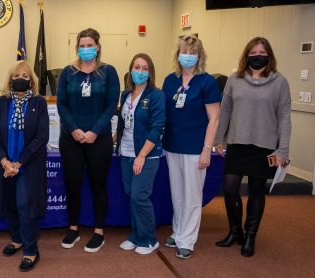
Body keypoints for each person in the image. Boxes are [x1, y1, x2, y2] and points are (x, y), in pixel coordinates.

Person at [214, 37, 291, 257]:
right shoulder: (234, 79)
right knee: (229, 188)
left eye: (261, 53)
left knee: (257, 192)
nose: (257, 56)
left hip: (264, 146)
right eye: (253, 53)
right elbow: (225, 110)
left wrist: (283, 150)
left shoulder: (279, 82)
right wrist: (219, 139)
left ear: (269, 56)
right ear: (246, 55)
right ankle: (235, 231)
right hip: (237, 142)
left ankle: (250, 236)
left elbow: (284, 117)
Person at [57, 28, 120, 253]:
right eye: (81, 46)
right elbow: (62, 104)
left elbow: (112, 104)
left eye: (89, 45)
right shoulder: (68, 73)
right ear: (77, 48)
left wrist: (94, 131)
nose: (85, 50)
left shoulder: (108, 72)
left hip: (99, 139)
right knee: (73, 184)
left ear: (97, 47)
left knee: (98, 186)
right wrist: (73, 129)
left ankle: (99, 232)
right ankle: (73, 229)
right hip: (70, 139)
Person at [161, 34, 221, 259]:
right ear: (178, 55)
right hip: (172, 145)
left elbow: (214, 119)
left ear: (200, 56)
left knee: (192, 196)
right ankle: (178, 232)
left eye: (192, 53)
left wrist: (207, 149)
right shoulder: (170, 80)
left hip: (196, 148)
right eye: (184, 52)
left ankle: (187, 240)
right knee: (177, 194)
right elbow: (164, 112)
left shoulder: (207, 82)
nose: (187, 56)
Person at [0, 60, 48, 272]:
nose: (20, 79)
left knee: (24, 206)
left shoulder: (38, 103)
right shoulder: (2, 102)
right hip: (5, 165)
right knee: (10, 203)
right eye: (16, 76)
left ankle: (31, 250)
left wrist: (19, 163)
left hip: (27, 165)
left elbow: (41, 138)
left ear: (31, 80)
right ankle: (16, 239)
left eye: (24, 76)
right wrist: (5, 162)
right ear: (10, 79)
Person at [115, 53, 165, 255]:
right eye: (137, 67)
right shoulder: (125, 94)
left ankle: (149, 239)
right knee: (131, 196)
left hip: (146, 155)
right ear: (131, 70)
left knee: (140, 196)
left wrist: (142, 155)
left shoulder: (156, 95)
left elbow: (157, 127)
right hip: (125, 152)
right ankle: (136, 236)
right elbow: (123, 124)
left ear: (150, 72)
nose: (140, 72)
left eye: (145, 68)